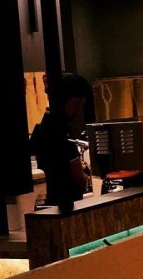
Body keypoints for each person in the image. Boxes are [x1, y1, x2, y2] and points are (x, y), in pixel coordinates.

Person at [30, 72, 92, 211]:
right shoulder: (60, 129)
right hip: (63, 207)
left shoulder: (42, 126)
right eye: (76, 105)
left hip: (49, 205)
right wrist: (87, 179)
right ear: (64, 99)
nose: (77, 111)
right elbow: (79, 178)